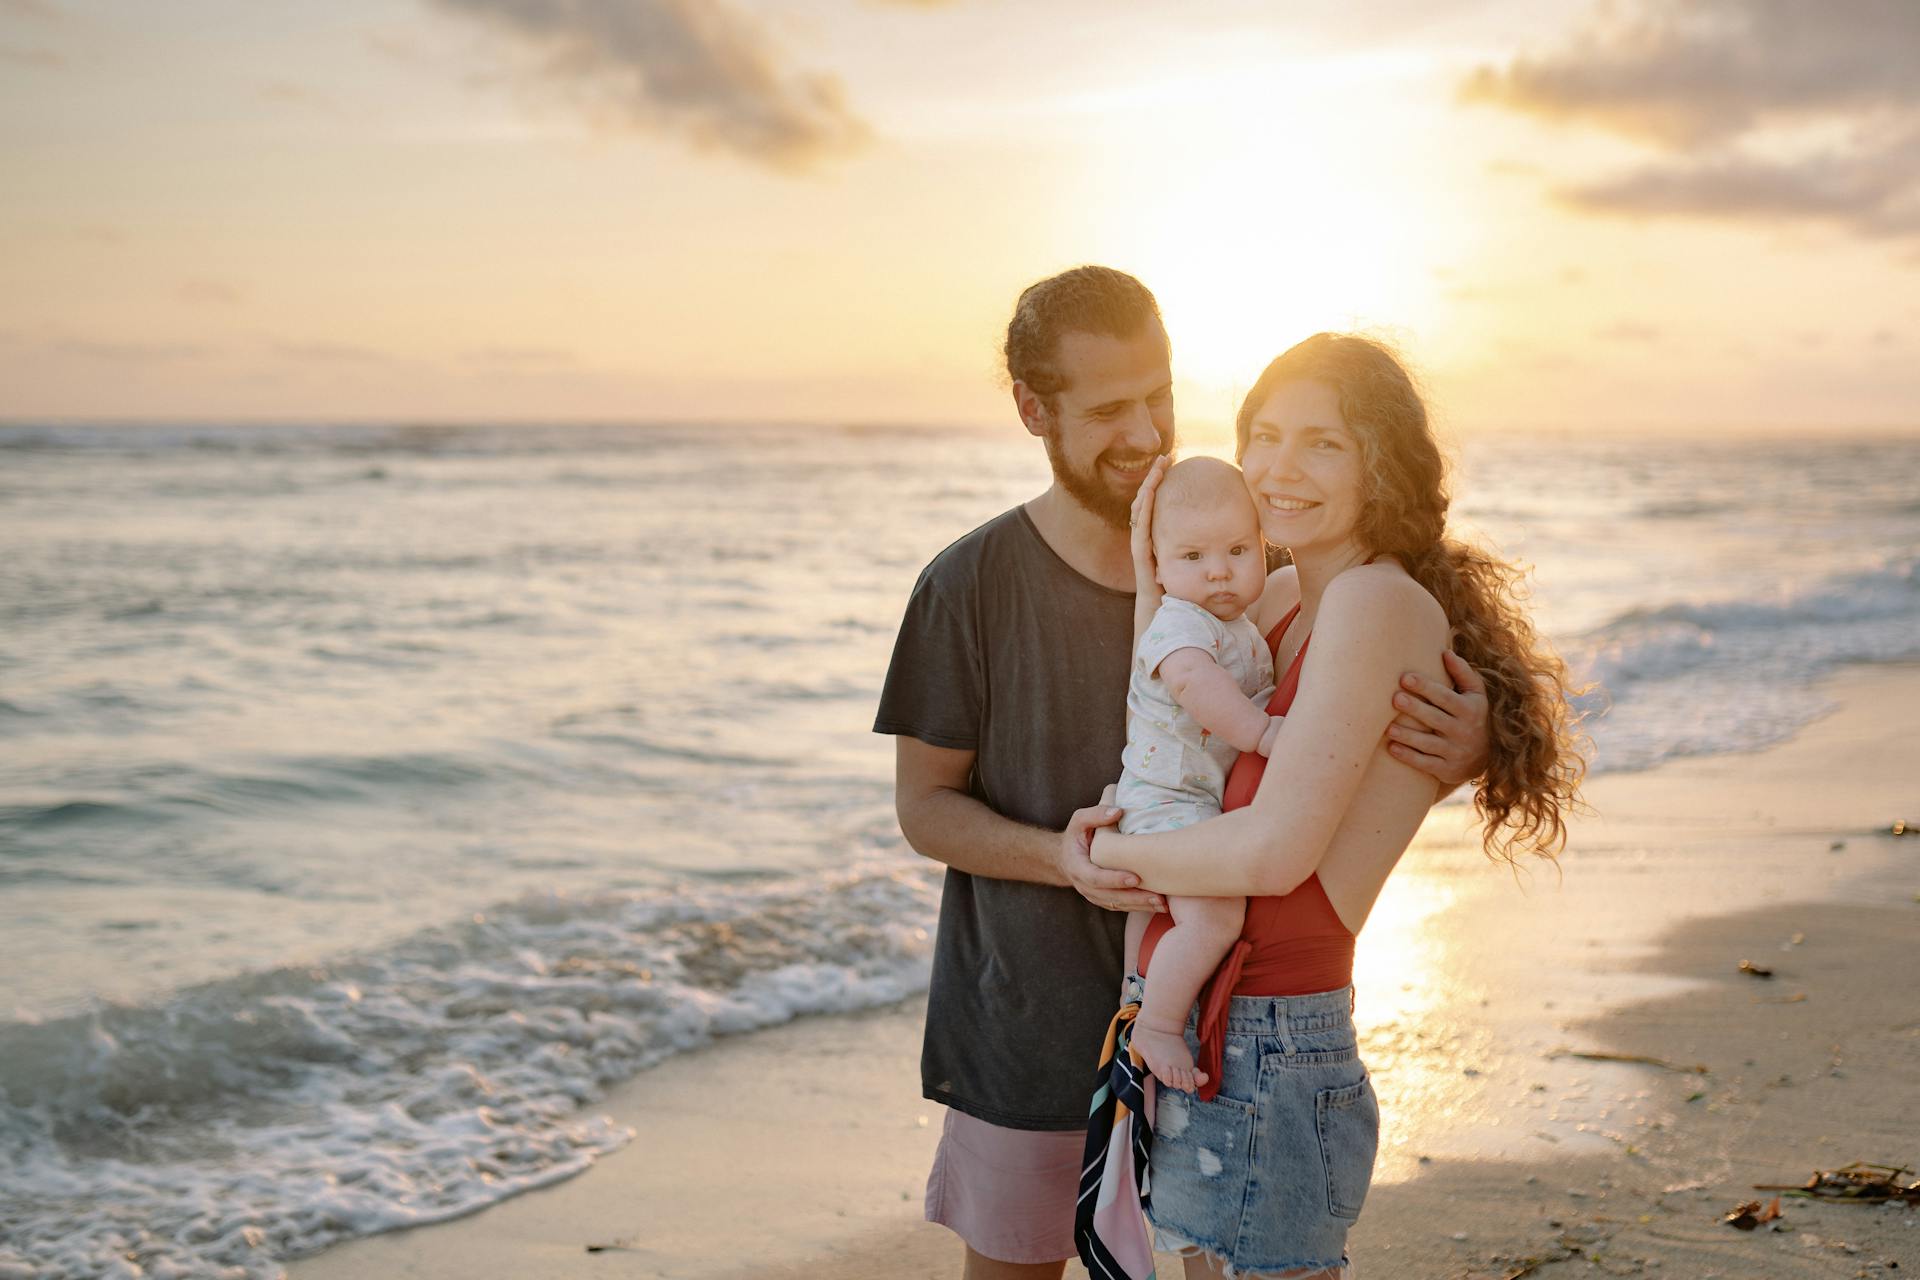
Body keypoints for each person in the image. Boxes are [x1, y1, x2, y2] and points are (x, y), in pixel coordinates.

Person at [873, 267, 1492, 1280]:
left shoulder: (1259, 566)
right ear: (1034, 409)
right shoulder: (969, 584)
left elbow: (1352, 727)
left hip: (1207, 1012)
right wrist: (1067, 856)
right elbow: (923, 806)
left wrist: (1465, 746)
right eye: (1110, 407)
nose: (1147, 429)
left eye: (1159, 395)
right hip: (1029, 1011)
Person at [1089, 332, 1586, 1279]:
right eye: (1265, 435)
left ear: (1381, 465)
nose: (1280, 467)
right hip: (1188, 1013)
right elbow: (1165, 709)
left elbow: (1275, 856)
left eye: (1323, 443)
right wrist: (1154, 573)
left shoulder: (1372, 601)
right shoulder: (1273, 599)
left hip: (1273, 1034)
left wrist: (1106, 864)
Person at [1113, 456, 1279, 1094]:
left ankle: (1136, 987)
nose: (1218, 570)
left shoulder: (1229, 622)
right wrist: (1261, 732)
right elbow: (1196, 685)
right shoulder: (1178, 625)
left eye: (1239, 549)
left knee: (1157, 920)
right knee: (1214, 919)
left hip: (1177, 800)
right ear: (1157, 566)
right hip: (1169, 801)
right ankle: (1157, 1024)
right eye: (1192, 556)